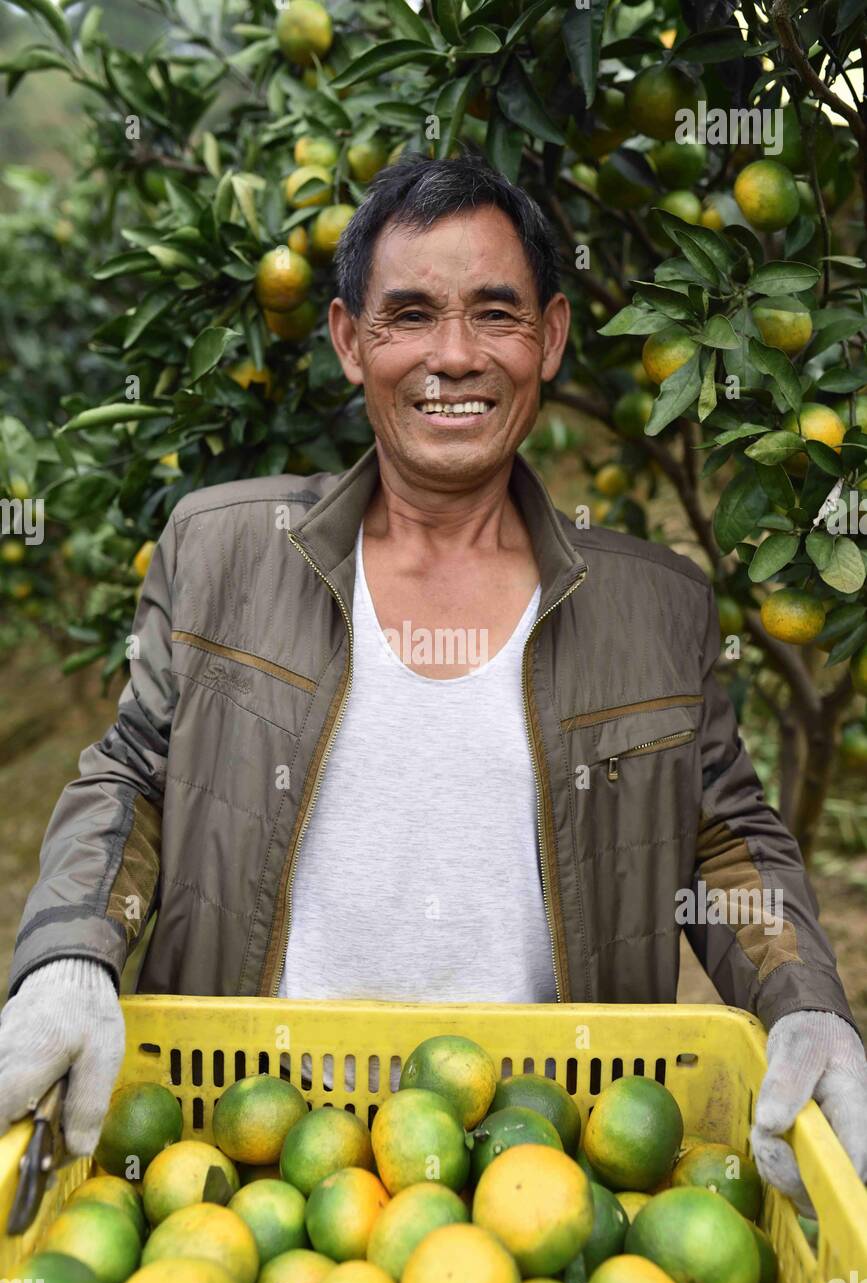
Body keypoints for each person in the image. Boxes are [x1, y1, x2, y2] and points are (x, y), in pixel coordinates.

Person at [0, 156, 864, 1218]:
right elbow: (134, 775)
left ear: (546, 338)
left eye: (493, 313)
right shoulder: (225, 553)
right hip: (242, 1159)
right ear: (349, 340)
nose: (453, 355)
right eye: (409, 314)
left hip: (540, 1173)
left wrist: (805, 1007)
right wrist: (70, 954)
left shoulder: (656, 609)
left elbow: (723, 842)